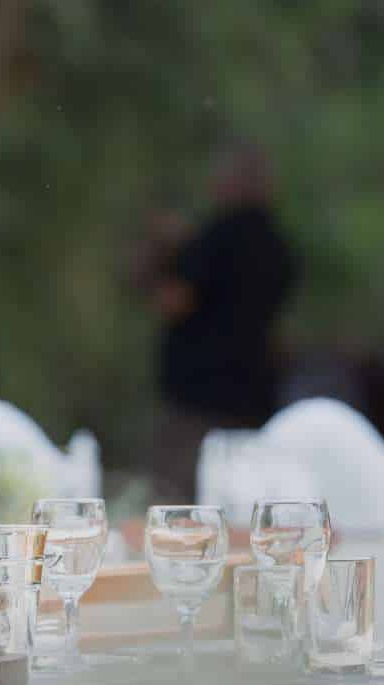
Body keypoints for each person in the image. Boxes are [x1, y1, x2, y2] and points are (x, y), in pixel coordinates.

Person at [148, 143, 301, 501]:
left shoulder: (217, 237)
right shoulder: (276, 244)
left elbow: (175, 299)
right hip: (253, 393)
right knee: (244, 504)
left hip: (199, 397)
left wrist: (167, 252)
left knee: (178, 503)